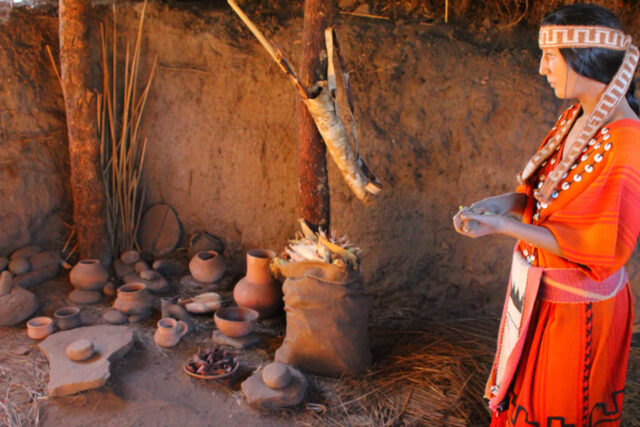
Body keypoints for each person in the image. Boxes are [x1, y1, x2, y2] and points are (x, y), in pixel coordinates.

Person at [453, 4, 640, 426]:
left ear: (583, 57)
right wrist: (502, 205)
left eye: (550, 56)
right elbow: (546, 197)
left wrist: (504, 227)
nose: (542, 68)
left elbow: (595, 246)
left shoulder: (626, 143)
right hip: (541, 298)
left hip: (578, 314)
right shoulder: (577, 117)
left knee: (558, 408)